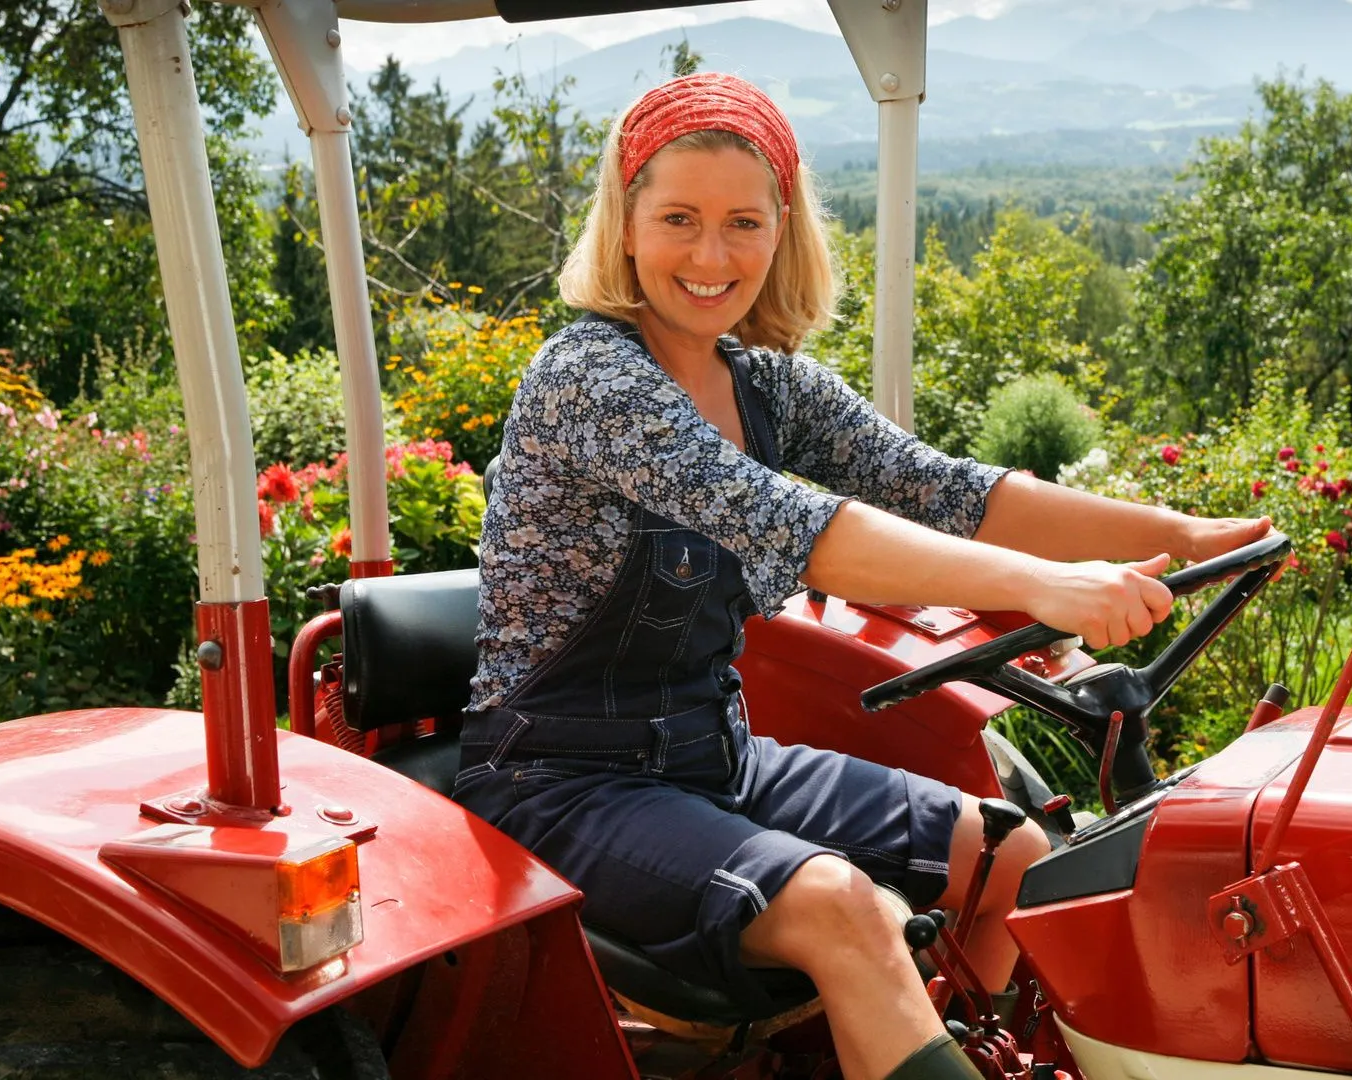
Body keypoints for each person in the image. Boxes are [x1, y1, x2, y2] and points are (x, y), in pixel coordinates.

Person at [453, 72, 1272, 1080]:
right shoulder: (590, 378)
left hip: (716, 758)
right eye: (679, 219)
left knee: (1010, 856)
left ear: (782, 229)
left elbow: (945, 488)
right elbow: (798, 526)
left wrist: (1179, 532)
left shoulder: (767, 383)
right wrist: (1049, 585)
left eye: (743, 223)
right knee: (841, 907)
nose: (712, 256)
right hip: (562, 781)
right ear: (625, 225)